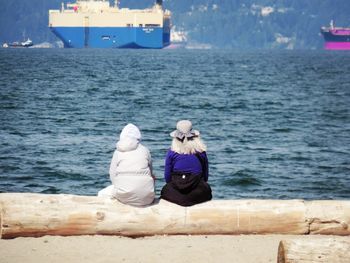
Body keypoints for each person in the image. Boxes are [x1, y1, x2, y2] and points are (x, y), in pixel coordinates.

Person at [98, 123, 155, 206]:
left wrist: (121, 185)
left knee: (101, 193)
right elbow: (151, 173)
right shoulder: (145, 150)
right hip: (146, 198)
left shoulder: (118, 151)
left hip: (124, 196)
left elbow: (112, 174)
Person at [160, 120, 212, 206]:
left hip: (175, 195)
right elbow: (205, 177)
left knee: (165, 190)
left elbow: (167, 178)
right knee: (207, 189)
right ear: (194, 136)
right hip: (198, 193)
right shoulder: (201, 152)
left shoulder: (171, 152)